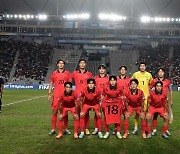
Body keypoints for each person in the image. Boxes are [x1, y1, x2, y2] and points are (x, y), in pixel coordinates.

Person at [48, 59, 71, 135]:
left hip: (65, 96)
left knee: (65, 113)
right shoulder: (54, 73)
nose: (61, 64)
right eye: (59, 63)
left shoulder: (67, 73)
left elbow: (69, 85)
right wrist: (49, 93)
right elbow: (51, 83)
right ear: (57, 65)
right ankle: (53, 129)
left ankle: (66, 129)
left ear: (64, 65)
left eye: (62, 63)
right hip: (56, 96)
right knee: (54, 112)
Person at [72, 58, 93, 135]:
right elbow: (67, 81)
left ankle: (86, 128)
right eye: (81, 63)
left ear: (85, 64)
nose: (82, 64)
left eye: (84, 63)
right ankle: (77, 128)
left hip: (86, 97)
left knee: (86, 113)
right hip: (77, 96)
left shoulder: (89, 74)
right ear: (79, 64)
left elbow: (91, 85)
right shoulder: (74, 73)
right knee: (77, 113)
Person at [150, 68, 173, 136]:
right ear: (157, 73)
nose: (160, 73)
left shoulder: (167, 81)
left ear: (164, 73)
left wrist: (171, 100)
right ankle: (154, 129)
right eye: (159, 72)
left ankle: (166, 130)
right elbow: (150, 90)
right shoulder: (154, 81)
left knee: (166, 116)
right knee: (155, 115)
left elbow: (170, 91)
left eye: (162, 72)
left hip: (165, 101)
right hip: (156, 101)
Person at [131, 62, 153, 134]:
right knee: (137, 113)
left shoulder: (149, 75)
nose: (142, 67)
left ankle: (146, 128)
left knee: (145, 113)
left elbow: (152, 83)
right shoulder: (135, 74)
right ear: (139, 67)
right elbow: (130, 82)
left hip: (146, 97)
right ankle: (136, 128)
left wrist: (149, 89)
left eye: (143, 66)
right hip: (137, 97)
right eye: (141, 66)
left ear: (145, 67)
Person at [93, 64, 109, 135]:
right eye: (100, 68)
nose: (102, 70)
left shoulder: (108, 78)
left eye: (103, 68)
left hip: (106, 99)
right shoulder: (95, 78)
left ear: (105, 70)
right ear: (98, 70)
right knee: (97, 114)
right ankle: (96, 128)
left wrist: (105, 95)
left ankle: (106, 129)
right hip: (97, 98)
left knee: (105, 114)